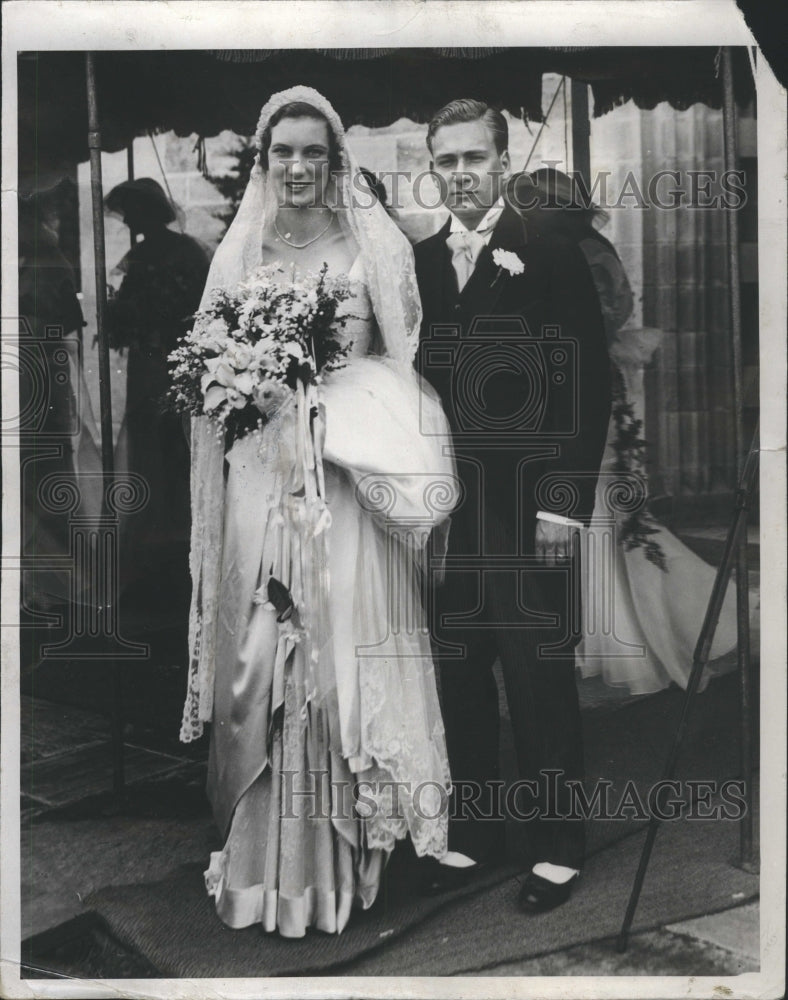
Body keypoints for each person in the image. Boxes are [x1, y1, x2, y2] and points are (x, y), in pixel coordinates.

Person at [180, 86, 462, 938]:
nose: (297, 167)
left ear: (337, 162)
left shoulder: (374, 246)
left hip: (344, 478)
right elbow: (208, 364)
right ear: (265, 164)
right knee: (264, 652)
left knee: (339, 653)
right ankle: (267, 866)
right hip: (264, 478)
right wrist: (246, 385)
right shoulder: (239, 252)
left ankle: (347, 856)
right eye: (282, 154)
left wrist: (337, 415)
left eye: (314, 152)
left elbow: (401, 360)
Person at [414, 100, 611, 912]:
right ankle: (478, 831)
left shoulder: (551, 250)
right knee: (460, 670)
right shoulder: (420, 262)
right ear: (433, 168)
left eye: (474, 158)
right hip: (446, 507)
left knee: (537, 675)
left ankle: (559, 845)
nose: (461, 173)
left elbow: (589, 380)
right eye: (446, 161)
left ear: (500, 163)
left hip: (530, 502)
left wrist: (564, 504)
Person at [526, 168, 739, 694]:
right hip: (570, 377)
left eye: (537, 207)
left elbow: (608, 313)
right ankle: (587, 632)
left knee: (598, 503)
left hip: (590, 380)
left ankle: (614, 636)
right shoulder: (569, 247)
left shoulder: (589, 252)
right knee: (594, 506)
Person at [104, 178, 210, 622]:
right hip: (155, 359)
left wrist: (122, 313)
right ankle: (165, 531)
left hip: (166, 358)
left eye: (131, 212)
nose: (127, 221)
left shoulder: (165, 254)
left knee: (170, 441)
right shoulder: (170, 251)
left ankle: (175, 534)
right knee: (157, 442)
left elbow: (185, 305)